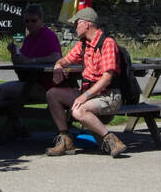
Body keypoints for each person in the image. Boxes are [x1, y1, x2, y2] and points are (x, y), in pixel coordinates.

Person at [45, 8, 127, 158]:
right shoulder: (83, 44)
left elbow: (107, 78)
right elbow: (65, 60)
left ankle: (112, 140)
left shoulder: (107, 43)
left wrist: (84, 96)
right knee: (52, 94)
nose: (74, 27)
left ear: (86, 24)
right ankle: (66, 140)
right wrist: (58, 66)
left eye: (76, 24)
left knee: (78, 110)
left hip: (109, 96)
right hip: (89, 95)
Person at [0, 3, 64, 107]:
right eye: (27, 21)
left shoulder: (48, 35)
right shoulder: (28, 38)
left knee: (1, 90)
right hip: (30, 82)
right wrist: (13, 53)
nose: (30, 24)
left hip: (46, 86)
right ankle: (9, 119)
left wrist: (32, 60)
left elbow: (56, 57)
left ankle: (2, 120)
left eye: (33, 20)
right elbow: (20, 66)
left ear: (41, 20)